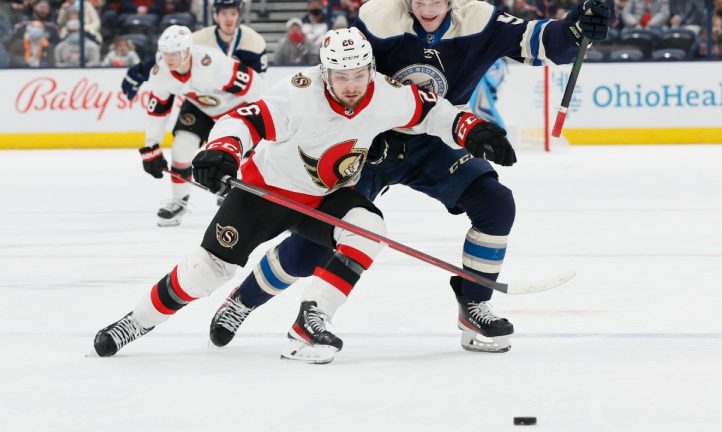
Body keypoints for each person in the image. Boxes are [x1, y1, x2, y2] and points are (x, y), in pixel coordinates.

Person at [207, 0, 609, 355]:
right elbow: (339, 77)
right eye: (419, 0)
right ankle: (244, 299)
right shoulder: (378, 18)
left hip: (437, 132)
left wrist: (575, 29)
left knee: (495, 204)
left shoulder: (480, 19)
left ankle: (474, 305)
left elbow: (542, 42)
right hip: (368, 140)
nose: (428, 9)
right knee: (313, 244)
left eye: (437, 1)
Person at [93, 27, 515, 364]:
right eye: (340, 76)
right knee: (208, 272)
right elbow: (247, 119)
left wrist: (471, 129)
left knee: (368, 229)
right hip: (266, 191)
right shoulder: (299, 93)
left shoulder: (385, 92)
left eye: (358, 75)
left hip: (326, 197)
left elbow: (432, 112)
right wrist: (221, 150)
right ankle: (135, 322)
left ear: (370, 69)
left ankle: (309, 323)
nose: (351, 86)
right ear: (323, 72)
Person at [122, 0, 268, 226]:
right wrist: (150, 146)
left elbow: (255, 86)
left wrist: (260, 120)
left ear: (188, 51)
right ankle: (179, 202)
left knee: (243, 154)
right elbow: (158, 109)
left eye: (175, 53)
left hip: (234, 108)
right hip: (199, 107)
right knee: (180, 147)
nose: (170, 59)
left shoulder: (213, 65)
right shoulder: (161, 72)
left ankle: (242, 199)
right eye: (166, 53)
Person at [120, 0, 268, 102]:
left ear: (239, 15)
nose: (228, 19)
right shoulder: (199, 38)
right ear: (216, 16)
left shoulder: (254, 42)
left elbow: (258, 83)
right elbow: (171, 51)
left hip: (238, 103)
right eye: (224, 14)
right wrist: (141, 70)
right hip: (205, 102)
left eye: (233, 14)